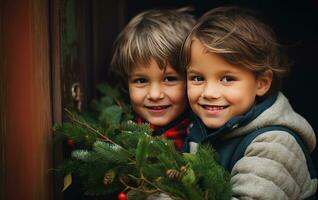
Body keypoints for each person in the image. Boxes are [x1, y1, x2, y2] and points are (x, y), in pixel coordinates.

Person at [181, 6, 317, 199]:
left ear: (261, 83)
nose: (209, 92)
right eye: (197, 78)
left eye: (227, 79)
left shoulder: (275, 145)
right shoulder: (199, 128)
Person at [110, 7, 196, 151]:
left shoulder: (204, 139)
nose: (155, 95)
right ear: (126, 82)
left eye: (169, 79)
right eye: (141, 81)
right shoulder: (116, 137)